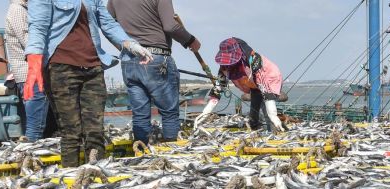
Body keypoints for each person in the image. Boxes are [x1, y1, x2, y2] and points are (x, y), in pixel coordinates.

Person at [24, 0, 152, 167]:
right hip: (60, 68)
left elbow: (108, 23)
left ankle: (96, 174)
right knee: (71, 132)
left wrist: (130, 44)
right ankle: (70, 177)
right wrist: (34, 62)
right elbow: (38, 27)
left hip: (93, 68)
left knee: (95, 131)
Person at [107, 0, 200, 144]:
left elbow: (108, 25)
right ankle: (170, 149)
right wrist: (190, 40)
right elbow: (170, 26)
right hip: (155, 57)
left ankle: (141, 151)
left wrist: (123, 46)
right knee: (169, 112)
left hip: (129, 60)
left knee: (140, 115)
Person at [214, 38, 284, 132]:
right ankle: (255, 128)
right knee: (253, 114)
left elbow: (265, 88)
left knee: (268, 113)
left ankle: (274, 130)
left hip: (267, 84)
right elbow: (218, 88)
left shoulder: (254, 60)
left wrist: (273, 115)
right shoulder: (227, 67)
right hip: (254, 88)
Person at [5, 0, 49, 141]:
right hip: (30, 74)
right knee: (35, 127)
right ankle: (29, 156)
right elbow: (30, 41)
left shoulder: (21, 9)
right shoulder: (18, 10)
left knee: (35, 124)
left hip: (29, 74)